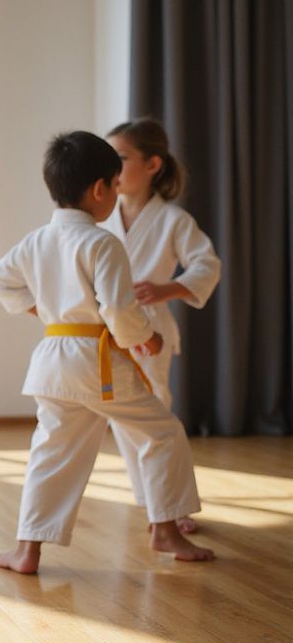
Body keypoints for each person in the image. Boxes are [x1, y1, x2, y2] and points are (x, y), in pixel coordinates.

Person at [0, 130, 214, 574]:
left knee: (50, 452)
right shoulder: (102, 243)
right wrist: (144, 338)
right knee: (163, 433)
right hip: (97, 361)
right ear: (99, 189)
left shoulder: (36, 240)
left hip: (53, 359)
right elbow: (117, 309)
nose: (115, 193)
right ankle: (166, 530)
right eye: (113, 184)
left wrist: (47, 312)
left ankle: (26, 550)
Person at [102, 118, 221, 532]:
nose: (113, 168)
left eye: (121, 158)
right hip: (106, 330)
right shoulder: (101, 216)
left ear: (153, 164)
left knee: (155, 414)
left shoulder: (173, 220)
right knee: (122, 419)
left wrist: (166, 289)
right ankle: (153, 501)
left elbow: (207, 265)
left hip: (150, 331)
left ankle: (170, 507)